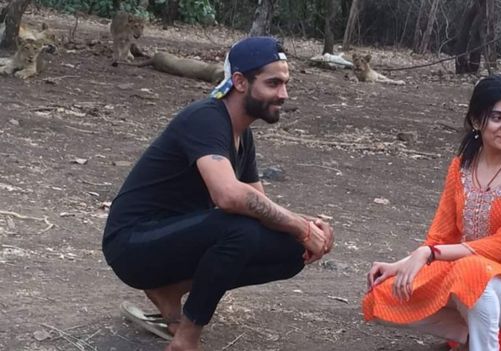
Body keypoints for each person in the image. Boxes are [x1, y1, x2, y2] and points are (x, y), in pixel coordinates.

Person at [102, 36, 334, 351]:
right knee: (240, 229)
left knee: (292, 251)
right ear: (239, 81)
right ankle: (185, 340)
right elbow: (229, 197)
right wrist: (301, 226)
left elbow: (258, 204)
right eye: (273, 83)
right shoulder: (206, 118)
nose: (284, 94)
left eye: (285, 84)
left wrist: (308, 228)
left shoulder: (243, 135)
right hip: (132, 243)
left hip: (175, 239)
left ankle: (168, 291)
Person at [362, 75, 501, 351]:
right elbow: (440, 236)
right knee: (382, 294)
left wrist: (430, 254)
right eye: (498, 117)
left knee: (472, 272)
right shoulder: (461, 167)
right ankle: (467, 334)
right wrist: (400, 265)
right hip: (470, 279)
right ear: (478, 121)